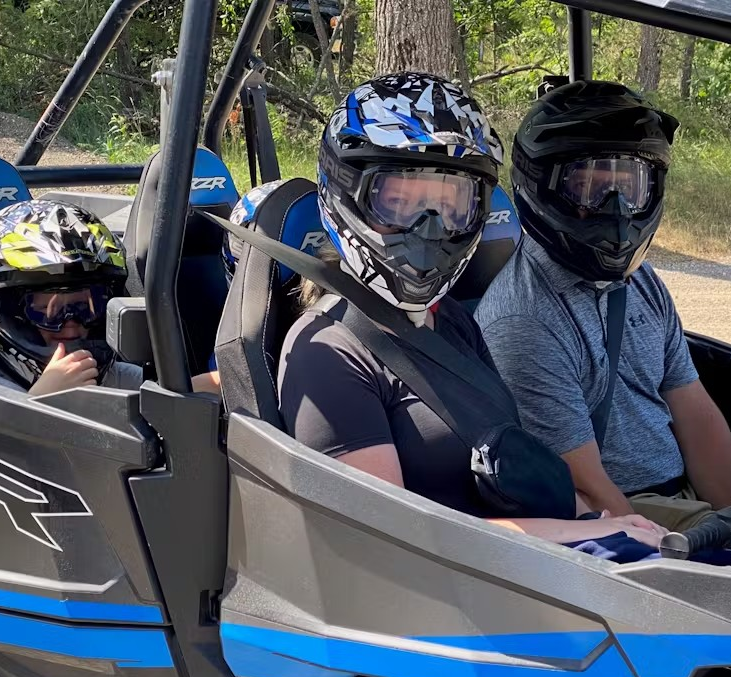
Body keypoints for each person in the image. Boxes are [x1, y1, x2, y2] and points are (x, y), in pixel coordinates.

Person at [266, 72, 671, 555]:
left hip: (524, 569)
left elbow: (511, 465)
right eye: (400, 202)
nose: (430, 229)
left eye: (451, 205)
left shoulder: (450, 321)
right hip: (449, 598)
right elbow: (388, 540)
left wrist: (604, 520)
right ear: (348, 192)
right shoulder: (328, 351)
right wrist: (584, 533)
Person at [475, 80, 731, 532]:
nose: (615, 209)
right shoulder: (524, 318)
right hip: (634, 510)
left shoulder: (640, 280)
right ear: (542, 188)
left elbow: (693, 408)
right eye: (588, 188)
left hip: (691, 490)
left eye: (628, 188)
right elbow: (590, 489)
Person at [0, 198, 219, 395]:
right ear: (8, 314)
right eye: (49, 311)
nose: (71, 324)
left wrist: (227, 379)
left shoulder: (114, 376)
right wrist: (42, 400)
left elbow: (174, 398)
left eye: (86, 306)